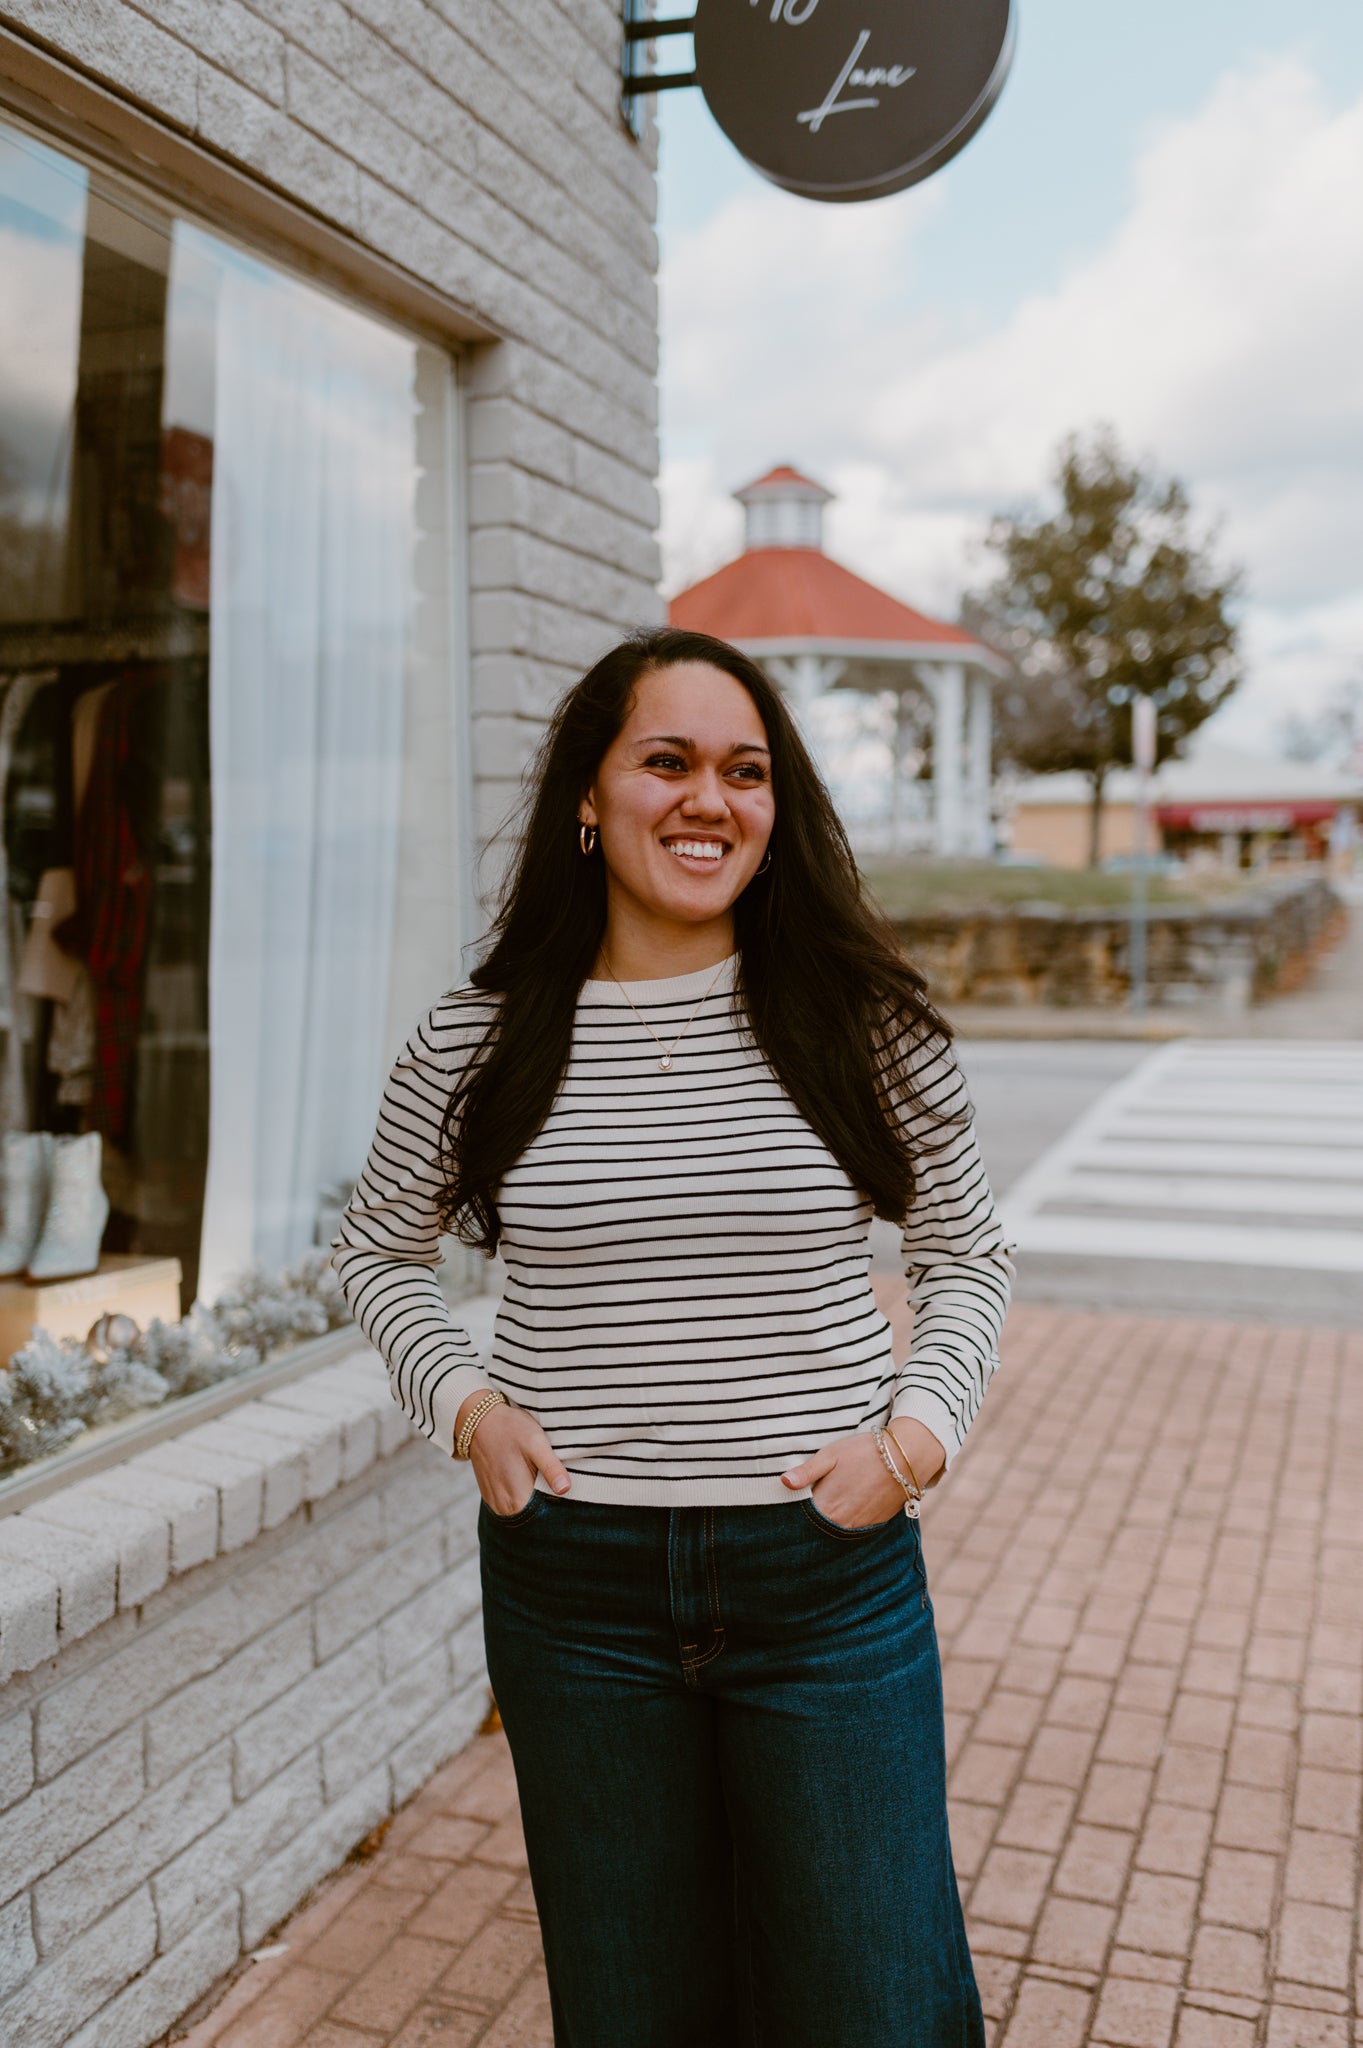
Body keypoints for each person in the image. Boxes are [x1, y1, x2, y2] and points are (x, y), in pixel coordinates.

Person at [333, 627, 1013, 2048]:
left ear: (780, 809)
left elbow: (963, 1256)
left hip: (825, 1580)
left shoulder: (861, 1026)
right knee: (638, 2008)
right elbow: (377, 1253)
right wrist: (464, 1405)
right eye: (669, 761)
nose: (711, 799)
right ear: (591, 796)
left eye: (747, 771)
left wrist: (916, 1441)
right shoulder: (477, 1040)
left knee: (879, 2004)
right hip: (575, 1591)